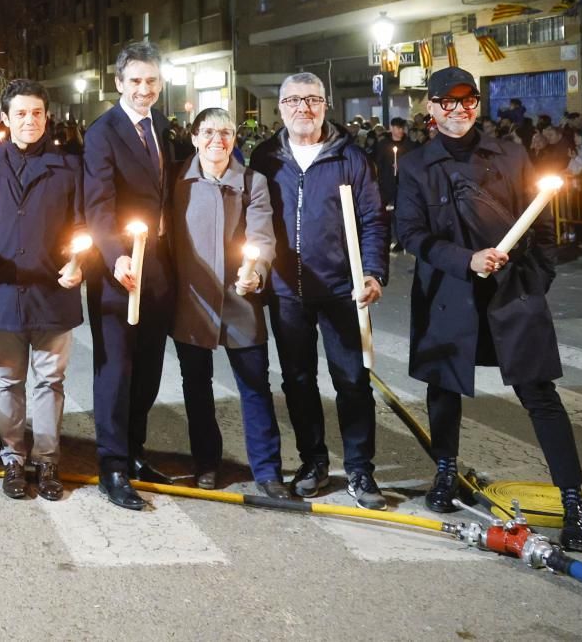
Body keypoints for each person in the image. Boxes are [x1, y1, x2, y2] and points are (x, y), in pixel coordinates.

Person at [396, 67, 582, 551]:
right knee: (443, 389)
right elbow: (411, 234)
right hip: (450, 291)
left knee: (539, 393)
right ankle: (445, 471)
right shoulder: (417, 164)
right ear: (431, 107)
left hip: (513, 291)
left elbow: (541, 222)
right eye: (447, 102)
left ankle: (573, 500)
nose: (458, 110)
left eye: (468, 101)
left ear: (477, 106)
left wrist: (539, 278)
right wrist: (466, 260)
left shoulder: (510, 153)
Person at [249, 72, 389, 509]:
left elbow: (371, 220)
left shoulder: (351, 158)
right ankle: (313, 461)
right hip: (287, 289)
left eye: (312, 100)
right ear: (281, 108)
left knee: (351, 379)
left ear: (326, 105)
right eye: (293, 101)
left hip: (340, 289)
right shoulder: (266, 156)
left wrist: (371, 272)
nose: (303, 109)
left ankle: (361, 468)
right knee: (298, 380)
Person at [0, 79, 87, 502]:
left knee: (50, 380)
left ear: (46, 117)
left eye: (36, 113)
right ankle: (13, 458)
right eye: (21, 113)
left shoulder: (68, 167)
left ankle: (47, 459)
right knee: (7, 379)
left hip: (53, 291)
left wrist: (79, 262)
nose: (29, 120)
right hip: (2, 291)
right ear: (5, 118)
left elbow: (82, 226)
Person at [169, 107, 282, 495]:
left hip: (240, 299)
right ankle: (206, 462)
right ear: (195, 136)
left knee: (255, 385)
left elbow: (263, 237)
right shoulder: (175, 181)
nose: (219, 140)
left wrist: (257, 271)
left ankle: (267, 470)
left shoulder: (253, 182)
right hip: (191, 301)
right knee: (196, 386)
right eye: (210, 132)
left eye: (227, 133)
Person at [82, 41, 176, 511]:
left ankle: (135, 451)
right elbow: (97, 204)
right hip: (119, 270)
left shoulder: (161, 126)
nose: (144, 89)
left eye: (152, 81)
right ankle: (112, 466)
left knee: (149, 369)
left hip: (158, 265)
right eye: (136, 81)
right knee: (116, 370)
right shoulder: (103, 133)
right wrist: (117, 256)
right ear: (118, 83)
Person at [371, 118, 416, 250]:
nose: (400, 131)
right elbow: (377, 162)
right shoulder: (383, 145)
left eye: (402, 128)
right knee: (385, 213)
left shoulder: (408, 145)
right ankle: (385, 238)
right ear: (391, 128)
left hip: (404, 185)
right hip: (386, 184)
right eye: (397, 128)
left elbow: (414, 163)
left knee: (401, 213)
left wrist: (402, 166)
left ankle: (402, 240)